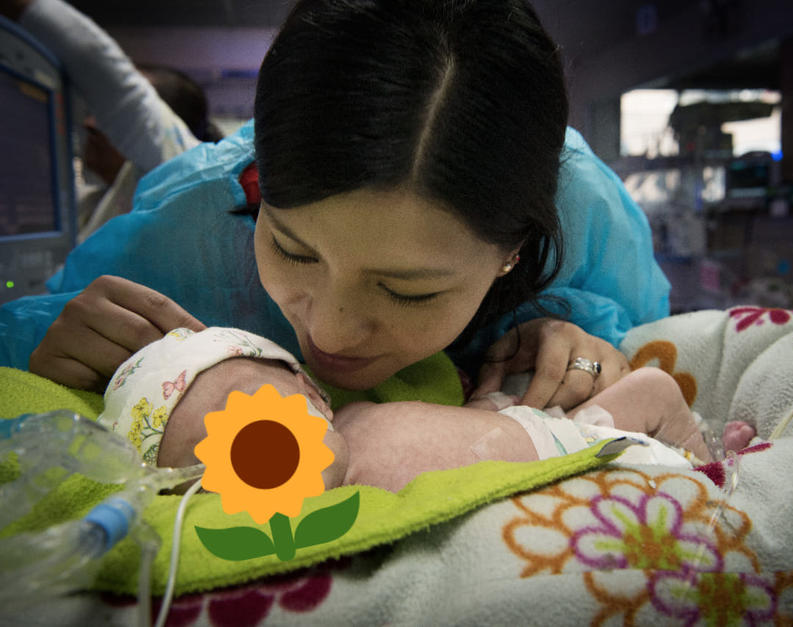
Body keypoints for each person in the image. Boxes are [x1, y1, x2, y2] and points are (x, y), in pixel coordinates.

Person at [0, 0, 671, 416]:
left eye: (407, 289)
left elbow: (663, 347)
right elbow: (37, 339)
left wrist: (588, 343)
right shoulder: (197, 218)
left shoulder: (580, 209)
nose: (332, 332)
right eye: (292, 248)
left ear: (514, 250)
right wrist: (49, 345)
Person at [99, 327, 721, 494]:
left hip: (560, 435)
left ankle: (707, 457)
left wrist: (487, 403)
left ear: (312, 392)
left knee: (654, 390)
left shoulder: (360, 417)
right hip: (563, 475)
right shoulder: (332, 513)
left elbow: (454, 417)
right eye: (204, 465)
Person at [0, 0, 219, 242]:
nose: (90, 124)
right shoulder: (95, 203)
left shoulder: (176, 162)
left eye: (111, 115)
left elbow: (99, 64)